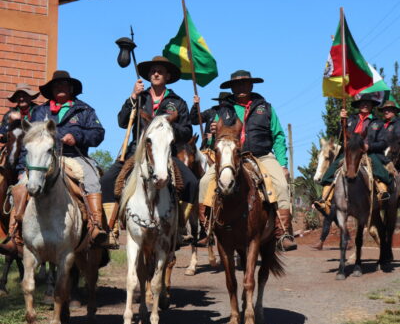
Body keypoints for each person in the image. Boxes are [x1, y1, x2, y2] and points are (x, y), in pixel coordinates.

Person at [0, 70, 107, 254]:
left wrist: (77, 136)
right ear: (51, 90)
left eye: (64, 84)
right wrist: (21, 168)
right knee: (19, 187)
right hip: (42, 160)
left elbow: (98, 133)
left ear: (71, 88)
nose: (60, 88)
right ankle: (14, 235)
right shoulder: (40, 111)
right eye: (56, 85)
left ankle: (96, 225)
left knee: (92, 178)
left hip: (74, 157)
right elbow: (28, 142)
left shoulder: (84, 110)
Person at [100, 55, 198, 245]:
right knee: (107, 180)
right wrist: (132, 97)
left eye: (160, 71)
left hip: (165, 153)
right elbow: (122, 121)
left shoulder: (177, 102)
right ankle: (110, 229)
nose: (155, 74)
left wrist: (165, 127)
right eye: (152, 71)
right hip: (137, 151)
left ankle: (178, 228)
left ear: (167, 76)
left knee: (192, 183)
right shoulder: (140, 98)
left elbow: (186, 132)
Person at [198, 69, 297, 251]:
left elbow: (279, 136)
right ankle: (207, 230)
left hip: (262, 155)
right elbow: (216, 141)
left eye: (244, 83)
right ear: (232, 88)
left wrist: (282, 164)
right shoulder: (224, 110)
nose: (241, 87)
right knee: (205, 182)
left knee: (281, 185)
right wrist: (213, 134)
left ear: (251, 85)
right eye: (236, 84)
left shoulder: (265, 108)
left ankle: (282, 231)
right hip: (233, 156)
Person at [315, 94, 391, 214]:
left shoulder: (378, 123)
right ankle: (325, 200)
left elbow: (383, 143)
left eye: (368, 103)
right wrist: (342, 121)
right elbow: (341, 137)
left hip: (368, 152)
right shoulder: (350, 119)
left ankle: (382, 191)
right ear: (358, 106)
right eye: (362, 103)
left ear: (372, 106)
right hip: (350, 152)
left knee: (378, 167)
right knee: (332, 169)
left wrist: (368, 146)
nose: (365, 105)